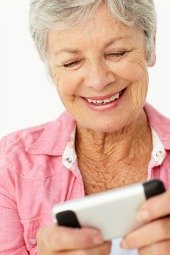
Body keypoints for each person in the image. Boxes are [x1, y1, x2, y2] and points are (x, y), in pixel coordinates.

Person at [0, 0, 170, 254]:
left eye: (117, 53)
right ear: (50, 68)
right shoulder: (9, 167)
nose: (98, 80)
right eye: (71, 63)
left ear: (150, 47)